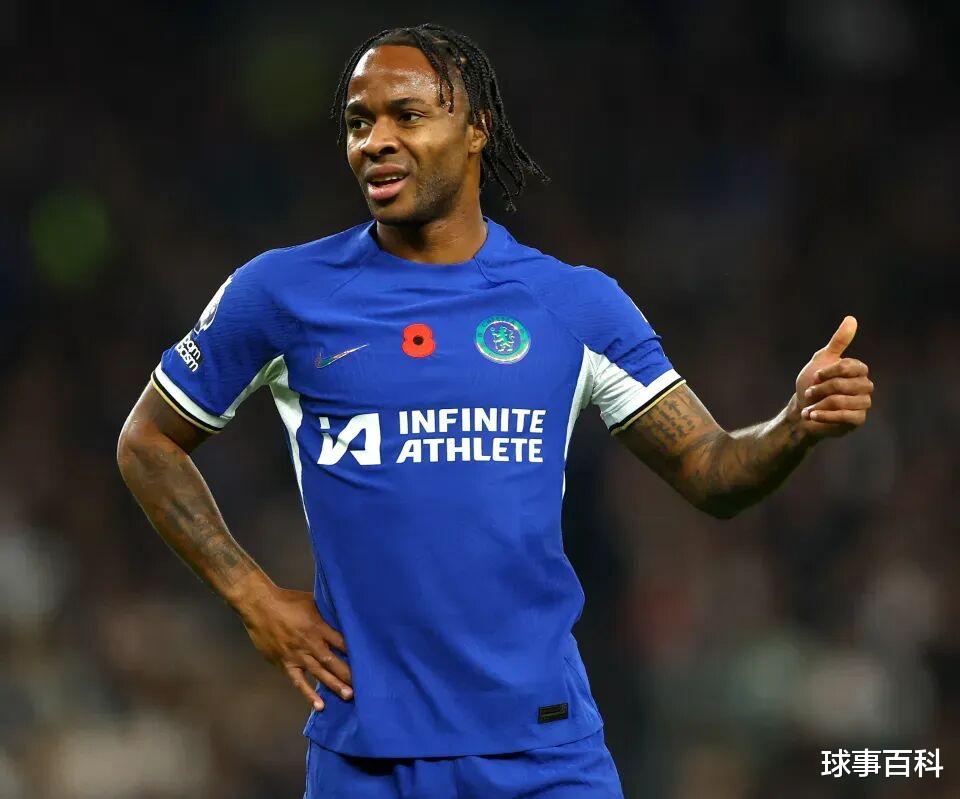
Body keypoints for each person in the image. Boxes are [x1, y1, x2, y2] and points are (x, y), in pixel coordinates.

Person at [116, 23, 874, 798]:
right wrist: (253, 597)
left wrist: (793, 425)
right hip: (366, 759)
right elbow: (147, 440)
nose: (376, 141)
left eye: (407, 115)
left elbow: (712, 471)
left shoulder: (573, 304)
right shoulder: (282, 294)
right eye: (358, 122)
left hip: (543, 755)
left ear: (476, 128)